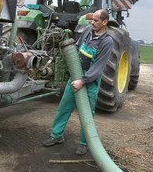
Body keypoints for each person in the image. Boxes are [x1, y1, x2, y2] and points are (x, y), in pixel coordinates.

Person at [42, 9, 113, 155]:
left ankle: (83, 143)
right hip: (75, 75)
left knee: (86, 113)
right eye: (92, 20)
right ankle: (56, 135)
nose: (92, 23)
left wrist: (83, 81)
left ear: (105, 22)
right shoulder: (88, 30)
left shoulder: (107, 42)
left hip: (90, 81)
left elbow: (98, 66)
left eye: (96, 20)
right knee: (64, 107)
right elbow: (77, 47)